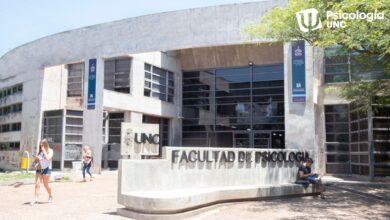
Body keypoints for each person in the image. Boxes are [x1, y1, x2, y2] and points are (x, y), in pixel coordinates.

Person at [30, 139, 53, 205]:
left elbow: (48, 158)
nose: (41, 146)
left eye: (42, 145)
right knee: (37, 184)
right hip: (39, 169)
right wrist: (35, 162)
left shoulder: (50, 151)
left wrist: (44, 151)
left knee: (46, 185)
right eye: (40, 145)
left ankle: (50, 196)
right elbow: (38, 160)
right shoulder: (40, 152)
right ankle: (35, 200)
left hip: (47, 169)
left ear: (46, 144)